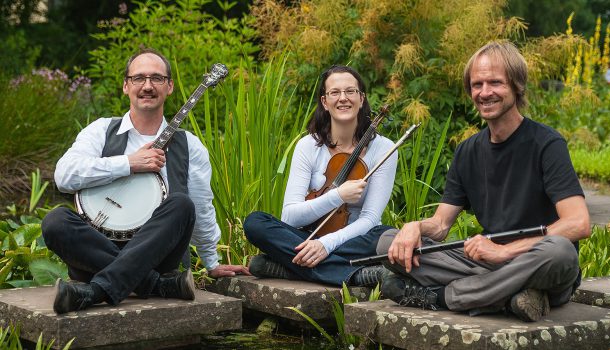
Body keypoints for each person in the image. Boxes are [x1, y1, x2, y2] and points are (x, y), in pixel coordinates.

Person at [376, 41, 590, 322]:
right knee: (387, 244)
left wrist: (504, 252)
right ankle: (509, 299)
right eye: (477, 85)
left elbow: (578, 223)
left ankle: (442, 298)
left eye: (495, 83)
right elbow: (441, 226)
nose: (485, 92)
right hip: (487, 265)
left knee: (560, 252)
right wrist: (414, 227)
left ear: (517, 86)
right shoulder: (467, 151)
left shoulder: (547, 143)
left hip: (537, 262)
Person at [43, 48, 250, 314]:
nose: (148, 86)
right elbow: (64, 176)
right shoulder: (101, 130)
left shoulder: (190, 146)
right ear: (126, 86)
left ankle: (95, 292)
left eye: (157, 78)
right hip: (98, 245)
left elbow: (201, 206)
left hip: (158, 255)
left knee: (182, 204)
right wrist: (128, 163)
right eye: (139, 78)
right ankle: (157, 286)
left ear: (170, 87)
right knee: (55, 221)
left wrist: (211, 261)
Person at [243, 65, 397, 287]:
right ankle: (356, 275)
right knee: (255, 223)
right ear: (325, 102)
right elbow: (290, 217)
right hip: (308, 235)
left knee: (385, 236)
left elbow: (370, 218)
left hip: (356, 240)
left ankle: (288, 268)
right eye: (335, 92)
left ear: (361, 99)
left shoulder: (384, 148)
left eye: (350, 91)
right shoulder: (308, 146)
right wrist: (337, 196)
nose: (343, 98)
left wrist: (326, 244)